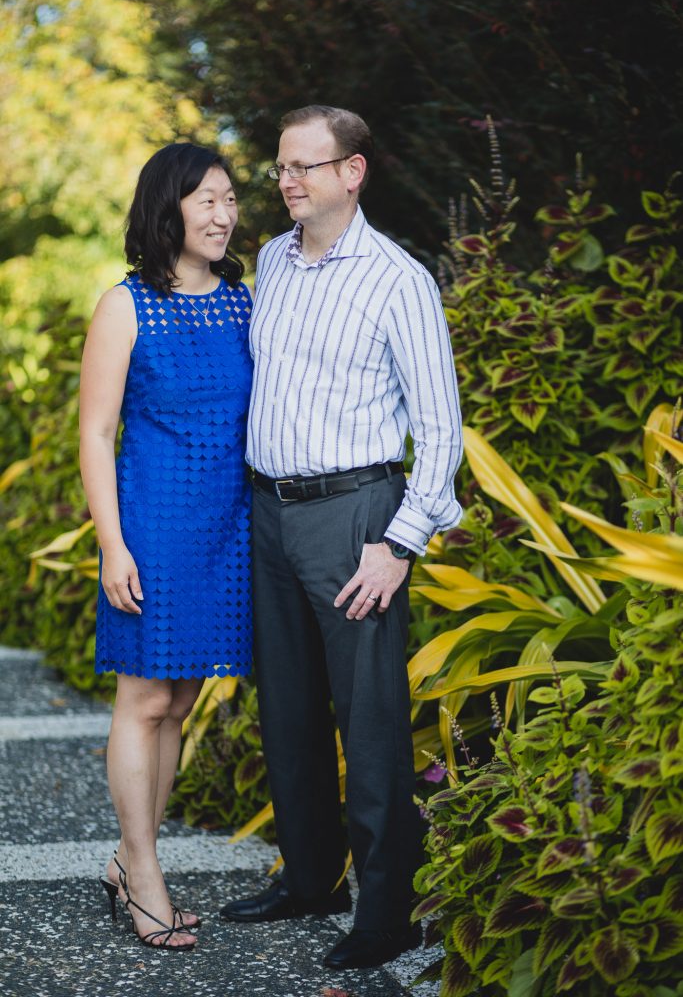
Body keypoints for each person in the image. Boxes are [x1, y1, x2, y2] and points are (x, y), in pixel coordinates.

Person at [219, 106, 463, 969]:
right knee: (285, 710)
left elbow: (439, 431)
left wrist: (397, 545)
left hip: (355, 518)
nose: (287, 181)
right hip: (270, 513)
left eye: (304, 167)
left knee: (369, 724)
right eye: (280, 167)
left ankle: (386, 910)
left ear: (351, 172)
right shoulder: (272, 263)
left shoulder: (399, 280)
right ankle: (311, 879)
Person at [80, 143, 252, 950]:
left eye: (229, 199)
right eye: (205, 200)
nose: (222, 215)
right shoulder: (126, 305)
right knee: (144, 699)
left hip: (227, 529)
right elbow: (95, 431)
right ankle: (144, 870)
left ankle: (127, 859)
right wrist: (112, 545)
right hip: (153, 525)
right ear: (168, 208)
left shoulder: (245, 301)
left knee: (181, 701)